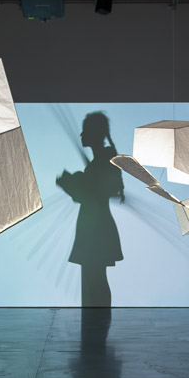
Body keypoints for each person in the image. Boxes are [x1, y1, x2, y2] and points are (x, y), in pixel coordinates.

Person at [56, 111, 124, 307]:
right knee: (93, 278)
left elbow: (95, 192)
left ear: (95, 133)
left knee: (94, 278)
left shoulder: (106, 158)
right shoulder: (104, 159)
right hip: (95, 225)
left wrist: (72, 182)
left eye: (85, 130)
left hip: (96, 227)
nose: (81, 135)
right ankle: (96, 320)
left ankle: (97, 321)